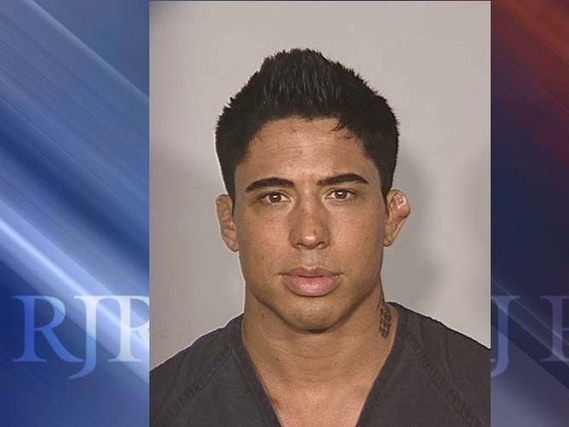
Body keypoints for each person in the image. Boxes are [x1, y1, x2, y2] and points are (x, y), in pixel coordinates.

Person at [150, 48, 488, 427]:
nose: (310, 234)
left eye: (340, 194)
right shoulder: (155, 409)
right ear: (230, 222)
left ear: (391, 217)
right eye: (274, 197)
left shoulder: (489, 399)